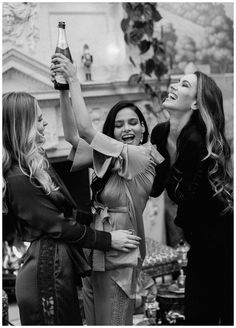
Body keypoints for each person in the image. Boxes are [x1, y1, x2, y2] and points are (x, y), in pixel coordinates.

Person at [2, 91, 141, 325]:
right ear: (22, 124)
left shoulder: (34, 166)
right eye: (37, 118)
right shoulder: (18, 177)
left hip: (57, 269)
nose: (44, 121)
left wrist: (97, 217)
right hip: (45, 277)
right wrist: (108, 240)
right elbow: (60, 226)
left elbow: (67, 213)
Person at [50, 52, 164, 325]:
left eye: (133, 122)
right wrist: (63, 90)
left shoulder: (143, 156)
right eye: (119, 125)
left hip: (121, 259)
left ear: (143, 128)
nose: (127, 128)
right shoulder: (110, 156)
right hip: (96, 253)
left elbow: (87, 130)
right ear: (111, 134)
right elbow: (73, 137)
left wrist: (75, 78)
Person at [151, 71, 233, 325]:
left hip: (225, 247)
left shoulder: (198, 141)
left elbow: (182, 195)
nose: (174, 85)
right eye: (176, 81)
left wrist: (160, 162)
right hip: (199, 246)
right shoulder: (159, 133)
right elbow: (155, 189)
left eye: (184, 84)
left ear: (196, 103)